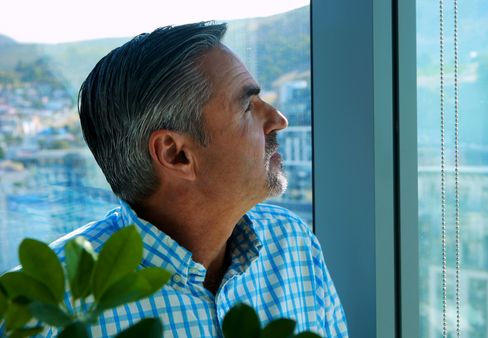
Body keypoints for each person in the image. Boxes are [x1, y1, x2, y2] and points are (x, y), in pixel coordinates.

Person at [41, 21, 348, 337]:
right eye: (247, 107)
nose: (278, 120)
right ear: (176, 154)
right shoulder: (46, 307)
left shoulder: (293, 244)